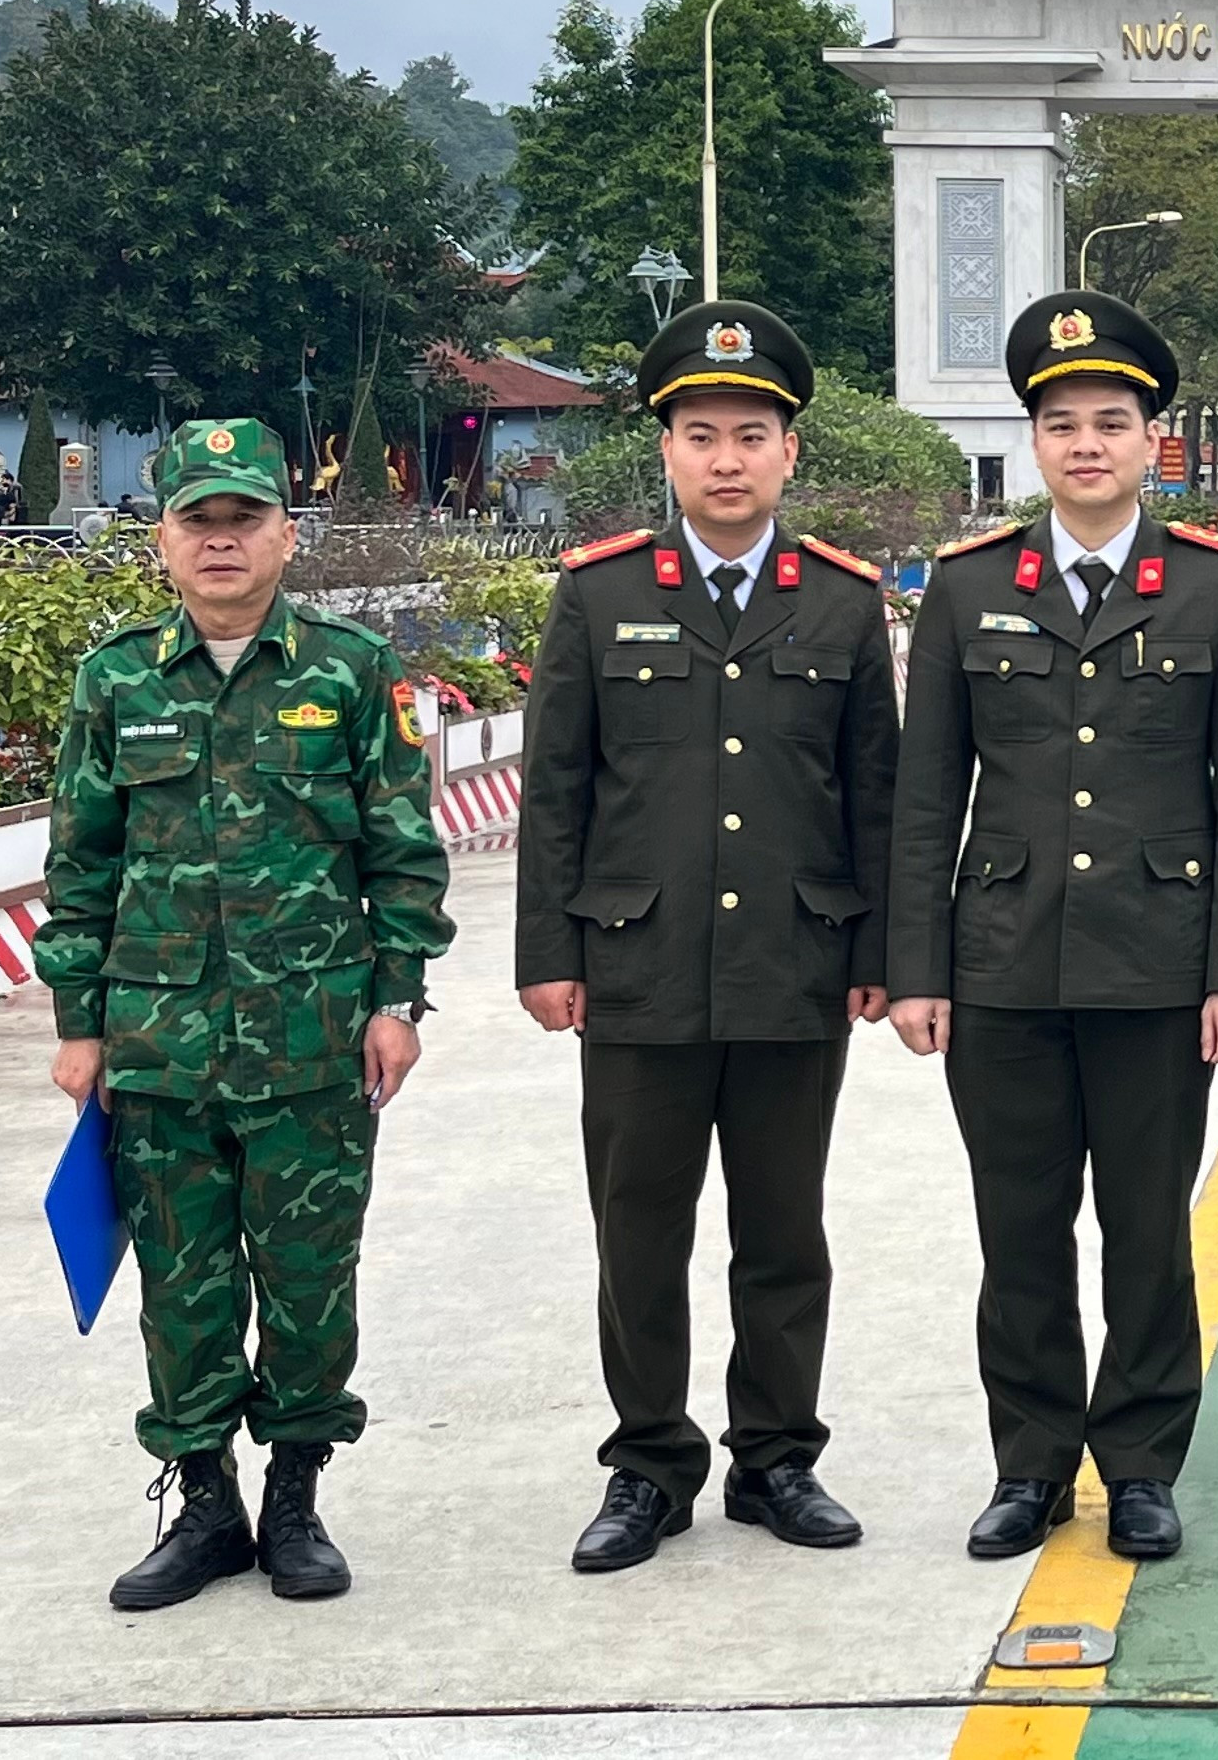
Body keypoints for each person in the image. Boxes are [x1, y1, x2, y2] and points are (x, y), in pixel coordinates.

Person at [888, 292, 1218, 1567]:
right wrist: (916, 970)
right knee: (1017, 1226)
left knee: (1148, 1227)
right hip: (1000, 961)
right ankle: (1030, 1464)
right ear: (1036, 442)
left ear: (1151, 439)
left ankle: (1144, 1463)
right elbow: (923, 799)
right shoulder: (966, 589)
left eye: (1111, 422)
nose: (1086, 445)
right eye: (1061, 424)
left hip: (1158, 963)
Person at [36, 417, 452, 1611]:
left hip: (315, 1040)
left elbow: (401, 850)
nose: (221, 545)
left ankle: (298, 1498)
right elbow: (81, 862)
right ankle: (206, 1505)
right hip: (159, 1046)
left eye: (245, 522)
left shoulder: (348, 669)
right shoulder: (115, 678)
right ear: (162, 539)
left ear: (287, 534)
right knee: (183, 1286)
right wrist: (80, 1022)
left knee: (313, 1282)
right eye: (197, 523)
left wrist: (396, 999)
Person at [513, 299, 900, 1573]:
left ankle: (778, 1458)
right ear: (664, 450)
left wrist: (880, 955)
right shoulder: (598, 593)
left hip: (796, 964)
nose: (725, 459)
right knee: (640, 1227)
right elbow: (556, 788)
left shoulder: (842, 606)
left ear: (792, 451)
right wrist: (546, 955)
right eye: (699, 434)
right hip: (636, 967)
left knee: (784, 1230)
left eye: (750, 434)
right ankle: (649, 1466)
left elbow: (876, 796)